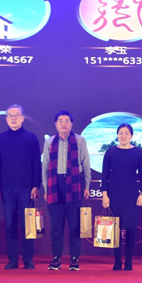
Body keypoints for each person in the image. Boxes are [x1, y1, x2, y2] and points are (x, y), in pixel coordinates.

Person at [0, 104, 41, 270]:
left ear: (23, 118)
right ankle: (13, 259)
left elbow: (37, 163)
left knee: (28, 225)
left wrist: (36, 185)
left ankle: (28, 259)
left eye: (17, 115)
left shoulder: (31, 138)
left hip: (27, 187)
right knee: (10, 224)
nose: (13, 118)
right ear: (6, 119)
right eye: (10, 115)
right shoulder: (0, 138)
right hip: (6, 188)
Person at [42, 111, 91, 271]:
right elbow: (45, 167)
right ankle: (56, 258)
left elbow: (85, 164)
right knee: (56, 227)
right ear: (56, 124)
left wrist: (86, 186)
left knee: (74, 225)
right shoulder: (49, 142)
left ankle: (74, 258)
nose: (63, 123)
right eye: (60, 121)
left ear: (71, 123)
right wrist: (46, 188)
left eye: (67, 121)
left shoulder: (80, 140)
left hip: (74, 184)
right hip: (54, 184)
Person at [101, 123, 142, 271]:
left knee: (131, 227)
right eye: (121, 133)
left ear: (131, 136)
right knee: (115, 228)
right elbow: (104, 175)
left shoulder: (138, 152)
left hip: (132, 194)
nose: (123, 136)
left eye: (126, 133)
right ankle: (117, 261)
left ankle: (128, 261)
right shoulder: (110, 152)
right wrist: (105, 195)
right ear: (117, 135)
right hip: (114, 194)